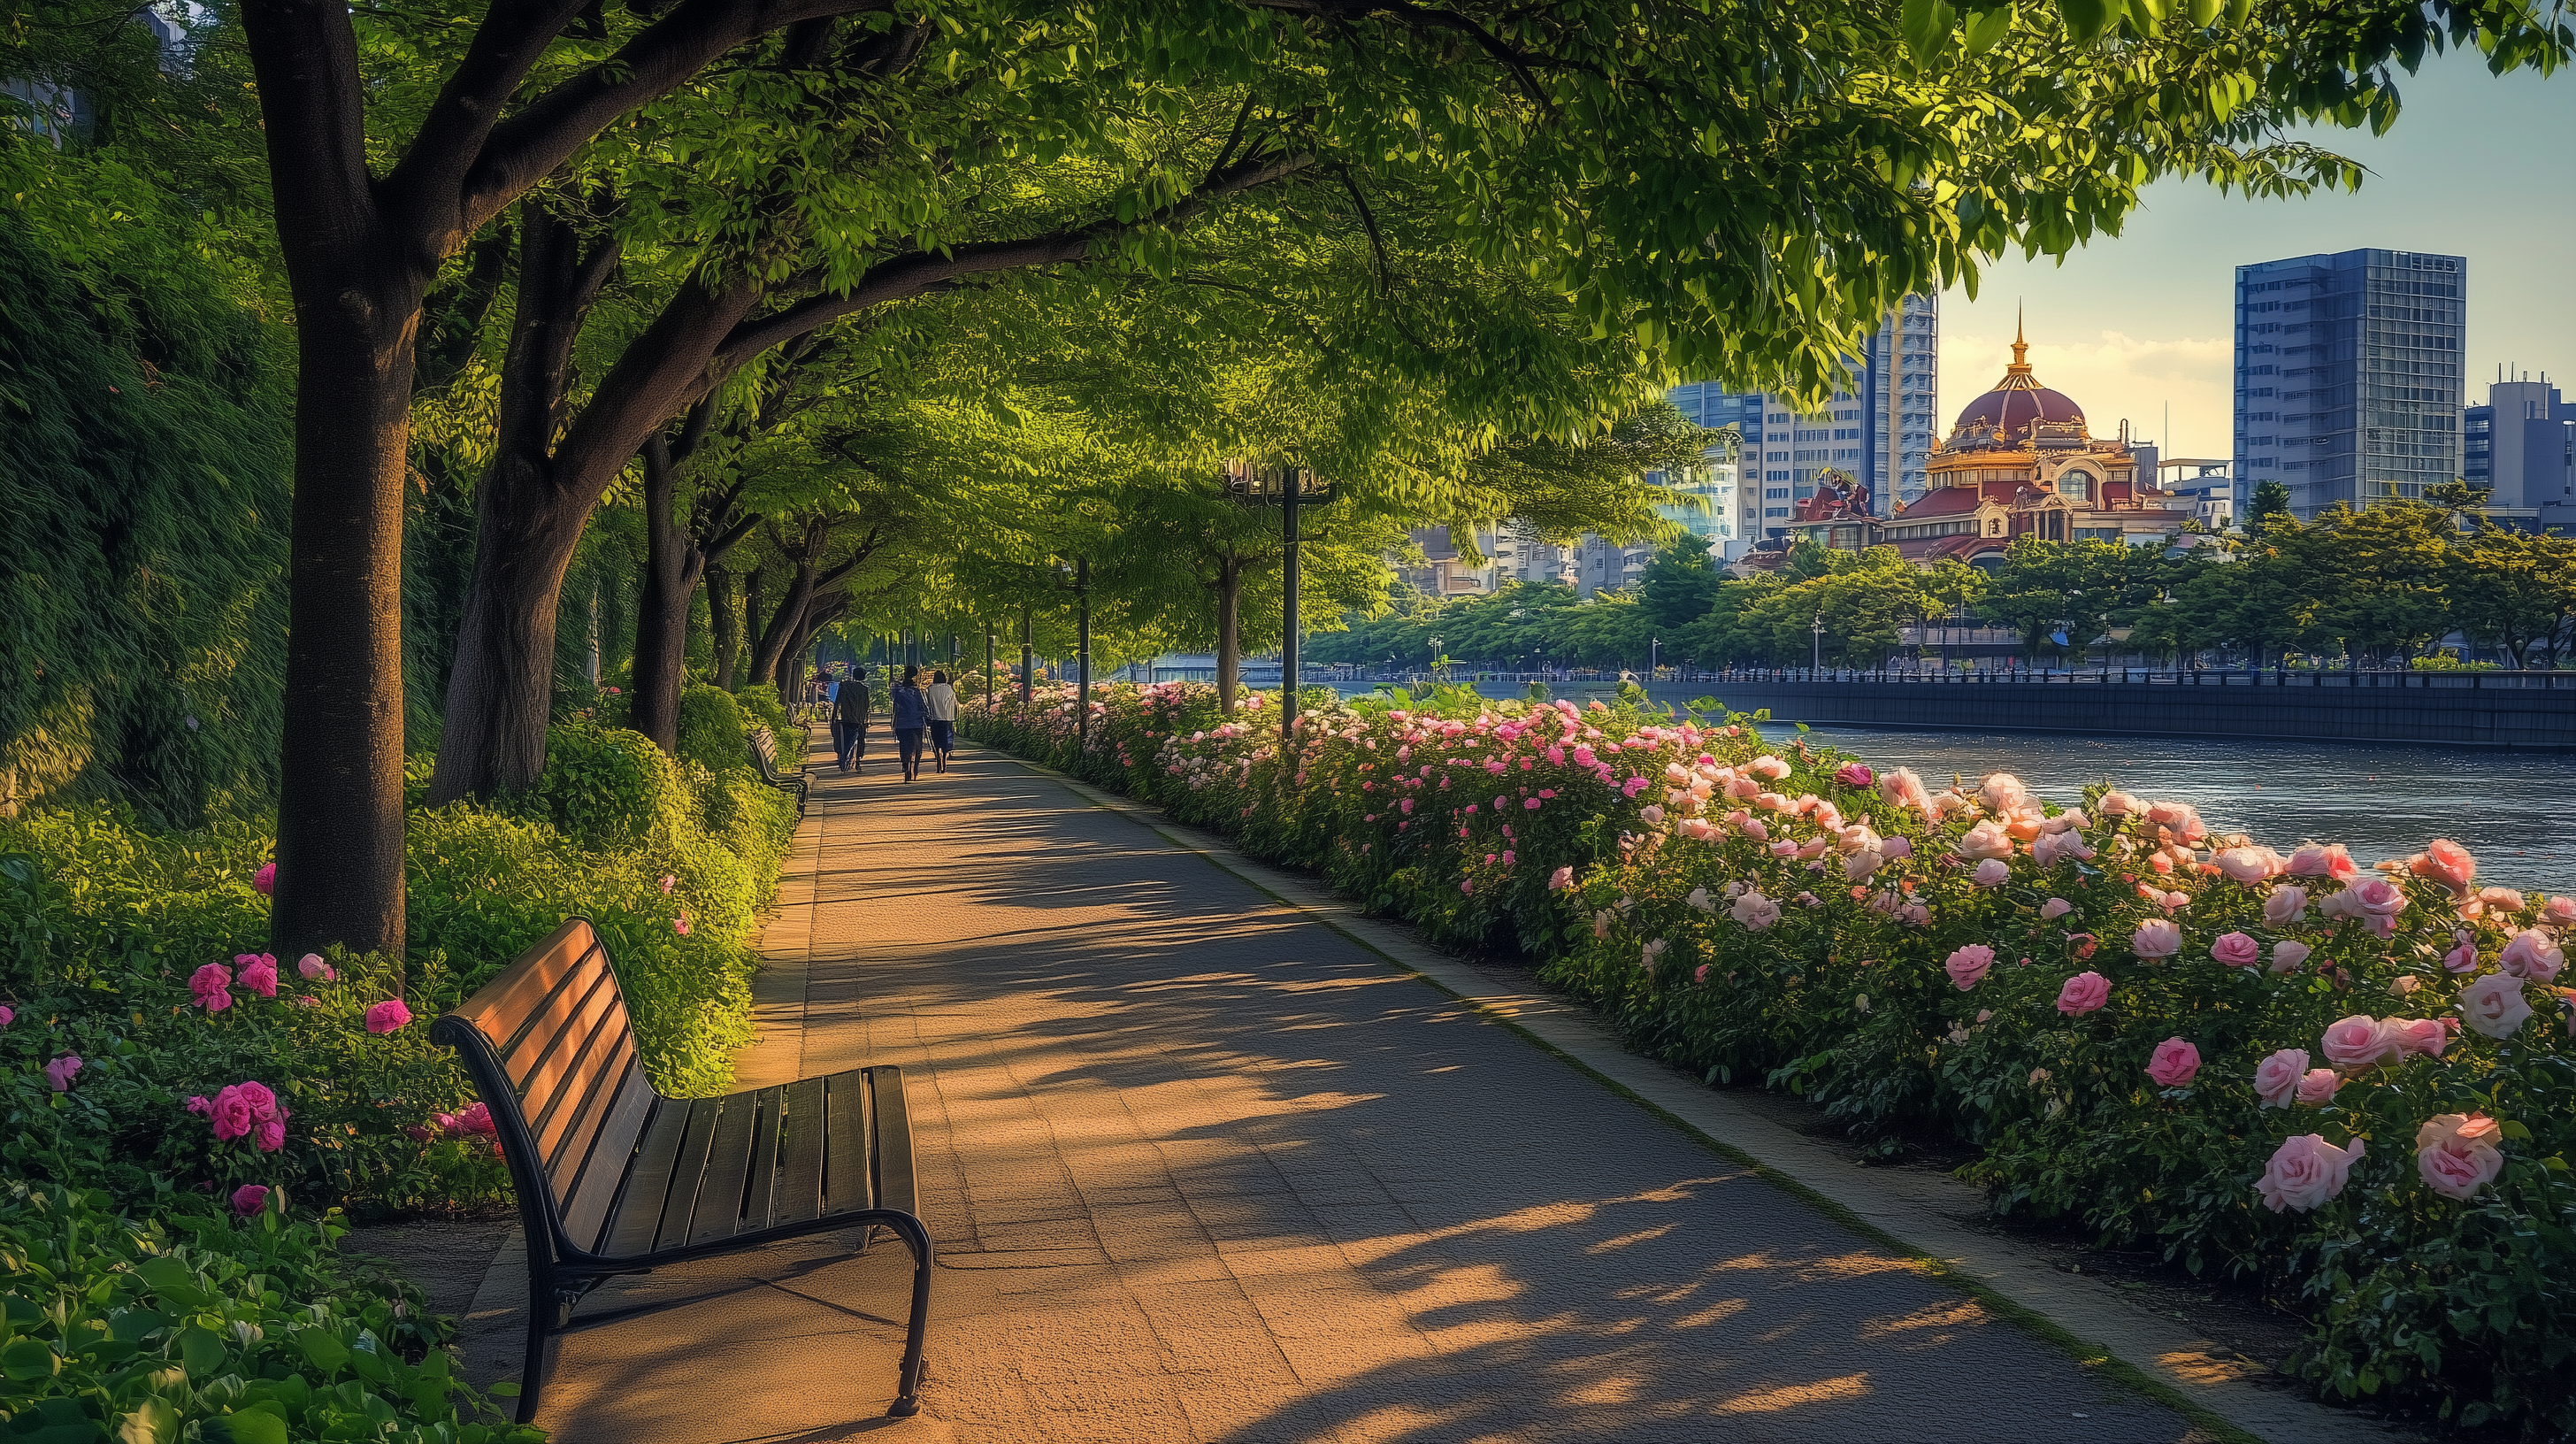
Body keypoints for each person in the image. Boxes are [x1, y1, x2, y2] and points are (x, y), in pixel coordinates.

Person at [889, 664, 928, 782]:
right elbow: (924, 706)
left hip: (902, 723)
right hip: (916, 722)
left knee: (904, 746)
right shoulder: (917, 692)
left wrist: (894, 722)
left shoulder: (898, 691)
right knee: (917, 748)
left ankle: (906, 765)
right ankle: (915, 769)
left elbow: (895, 706)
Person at [832, 666, 872, 773]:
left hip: (845, 718)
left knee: (842, 740)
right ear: (863, 677)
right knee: (860, 739)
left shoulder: (844, 686)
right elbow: (866, 706)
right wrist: (866, 719)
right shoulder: (864, 689)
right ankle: (857, 760)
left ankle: (843, 756)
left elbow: (837, 703)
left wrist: (833, 716)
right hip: (858, 721)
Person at [925, 669, 958, 773]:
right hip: (948, 719)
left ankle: (938, 761)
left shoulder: (929, 689)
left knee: (936, 742)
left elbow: (927, 704)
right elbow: (954, 703)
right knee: (946, 742)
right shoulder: (949, 689)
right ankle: (944, 760)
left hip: (935, 719)